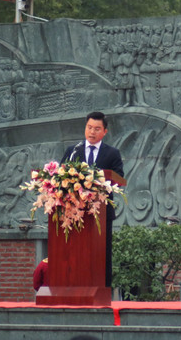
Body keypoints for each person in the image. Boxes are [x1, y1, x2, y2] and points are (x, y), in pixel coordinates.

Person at [60, 111, 125, 287]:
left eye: (97, 129)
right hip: (74, 212)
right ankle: (74, 289)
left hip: (101, 213)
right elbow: (60, 176)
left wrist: (98, 180)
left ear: (105, 131)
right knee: (75, 253)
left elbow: (119, 179)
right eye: (89, 127)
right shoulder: (73, 151)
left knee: (101, 254)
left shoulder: (112, 153)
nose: (92, 132)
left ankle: (103, 290)